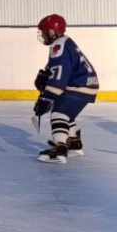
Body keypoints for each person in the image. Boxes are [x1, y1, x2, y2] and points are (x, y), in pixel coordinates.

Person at [34, 14, 98, 164]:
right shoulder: (65, 42)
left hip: (79, 85)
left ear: (53, 31)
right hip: (86, 84)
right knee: (67, 113)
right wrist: (46, 72)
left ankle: (60, 150)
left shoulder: (58, 45)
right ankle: (74, 145)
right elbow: (63, 65)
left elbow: (61, 70)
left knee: (58, 113)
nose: (43, 35)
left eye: (45, 32)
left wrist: (47, 96)